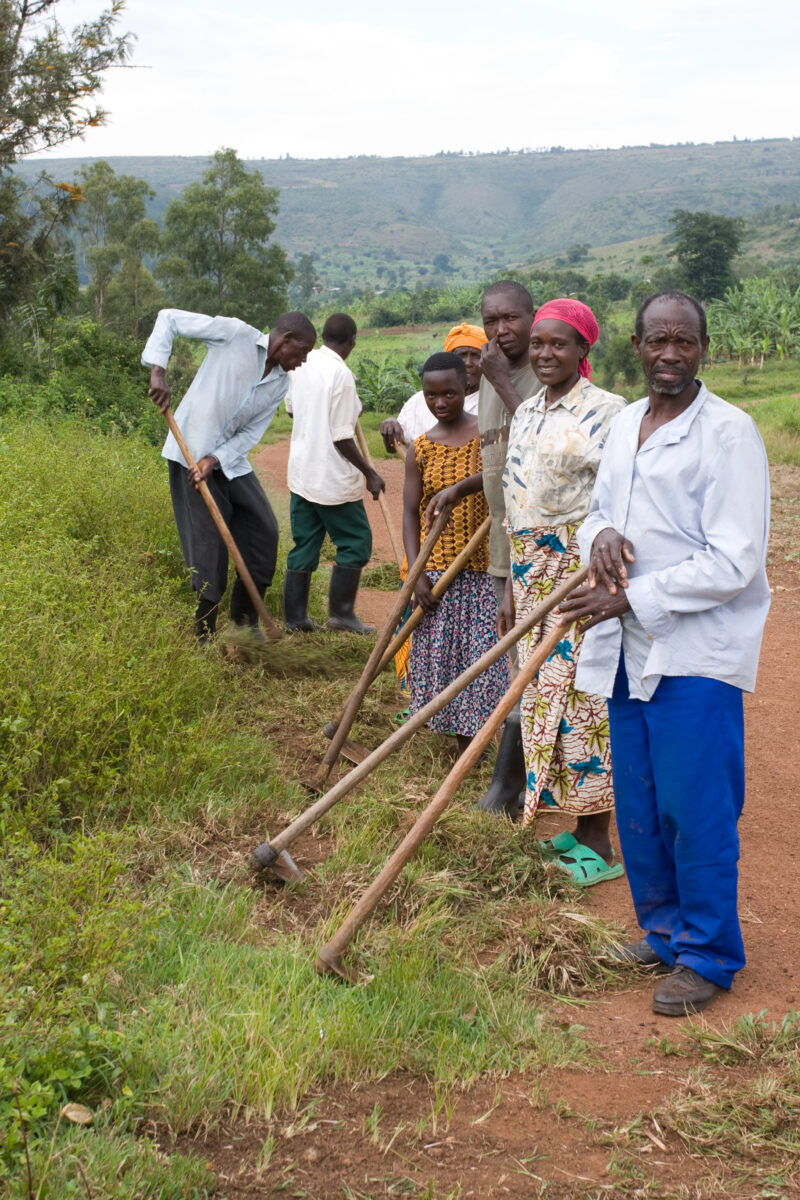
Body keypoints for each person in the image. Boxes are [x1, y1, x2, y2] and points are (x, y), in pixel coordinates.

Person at [558, 291, 771, 1015]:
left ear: (703, 347)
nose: (670, 354)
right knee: (642, 801)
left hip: (695, 651)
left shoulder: (730, 434)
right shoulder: (626, 425)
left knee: (696, 804)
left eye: (684, 341)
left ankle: (709, 954)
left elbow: (734, 560)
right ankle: (663, 930)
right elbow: (597, 514)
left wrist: (628, 597)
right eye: (657, 341)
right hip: (628, 650)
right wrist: (601, 540)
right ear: (637, 344)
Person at [497, 299, 626, 886]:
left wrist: (606, 576)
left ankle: (601, 841)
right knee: (542, 701)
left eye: (559, 344)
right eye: (541, 343)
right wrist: (508, 584)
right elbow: (514, 498)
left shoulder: (610, 413)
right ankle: (573, 825)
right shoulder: (525, 411)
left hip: (578, 573)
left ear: (583, 351)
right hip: (528, 574)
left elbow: (622, 503)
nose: (546, 353)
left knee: (583, 702)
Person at [144, 308, 316, 642]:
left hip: (228, 462)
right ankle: (204, 632)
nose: (303, 360)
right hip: (189, 454)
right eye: (303, 352)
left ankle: (245, 624)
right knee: (210, 546)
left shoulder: (281, 383)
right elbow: (168, 318)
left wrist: (215, 459)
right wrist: (158, 372)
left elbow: (250, 434)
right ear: (286, 339)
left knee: (264, 530)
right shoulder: (235, 334)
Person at [402, 352, 509, 755]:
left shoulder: (488, 436)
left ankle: (475, 743)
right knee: (441, 656)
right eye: (431, 395)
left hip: (483, 568)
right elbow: (410, 515)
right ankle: (453, 736)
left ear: (467, 388)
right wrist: (417, 573)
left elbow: (501, 475)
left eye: (449, 393)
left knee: (479, 659)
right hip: (439, 571)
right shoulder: (421, 449)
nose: (441, 402)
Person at [474, 281, 538, 813]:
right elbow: (496, 459)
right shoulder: (490, 373)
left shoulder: (544, 370)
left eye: (510, 318)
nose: (500, 330)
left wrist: (497, 377)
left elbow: (549, 441)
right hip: (504, 540)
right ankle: (517, 784)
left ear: (532, 317)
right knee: (517, 656)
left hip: (544, 541)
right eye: (491, 320)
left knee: (532, 660)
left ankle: (508, 789)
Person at [282, 313, 385, 634]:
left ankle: (295, 620)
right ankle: (341, 616)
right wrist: (370, 472)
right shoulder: (340, 373)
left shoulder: (302, 362)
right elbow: (342, 437)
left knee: (305, 545)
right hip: (331, 479)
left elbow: (291, 409)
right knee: (356, 543)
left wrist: (352, 408)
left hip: (302, 475)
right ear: (352, 341)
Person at [379, 322, 486, 452]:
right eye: (462, 355)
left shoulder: (494, 402)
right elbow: (395, 447)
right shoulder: (417, 402)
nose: (468, 363)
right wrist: (391, 425)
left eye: (476, 356)